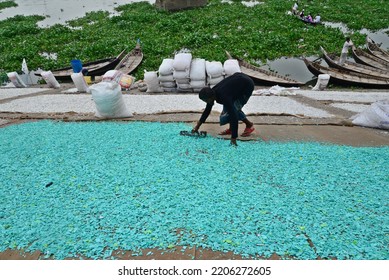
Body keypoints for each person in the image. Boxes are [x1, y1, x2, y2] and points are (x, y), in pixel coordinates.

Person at [192, 72, 255, 146]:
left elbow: (233, 115)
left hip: (247, 85)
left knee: (233, 110)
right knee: (229, 110)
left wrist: (233, 139)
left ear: (211, 98)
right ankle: (231, 129)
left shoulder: (224, 97)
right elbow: (207, 110)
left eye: (206, 101)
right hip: (237, 81)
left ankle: (249, 125)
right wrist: (196, 127)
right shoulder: (212, 93)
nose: (206, 102)